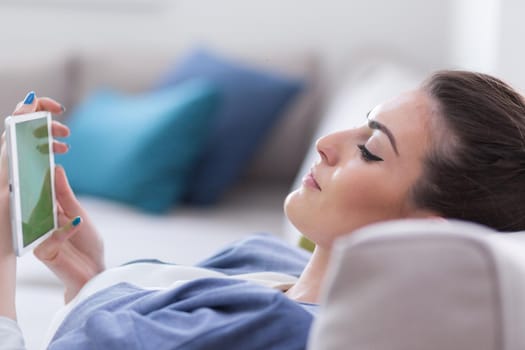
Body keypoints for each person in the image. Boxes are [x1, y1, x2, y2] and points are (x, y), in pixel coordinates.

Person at [2, 70, 525, 349]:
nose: (327, 142)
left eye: (369, 150)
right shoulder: (269, 261)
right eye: (362, 124)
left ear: (423, 237)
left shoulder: (275, 329)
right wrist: (89, 276)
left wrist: (3, 254)